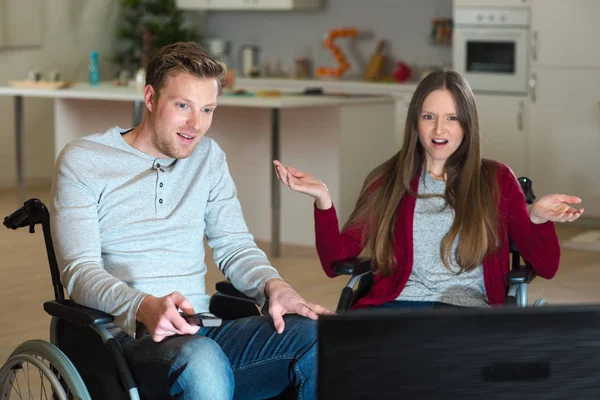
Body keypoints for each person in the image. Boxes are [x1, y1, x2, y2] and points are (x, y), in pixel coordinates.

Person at [50, 41, 332, 400]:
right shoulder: (85, 160)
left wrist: (275, 288)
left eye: (208, 109)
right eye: (183, 105)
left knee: (319, 335)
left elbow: (235, 246)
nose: (196, 125)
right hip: (126, 342)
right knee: (201, 358)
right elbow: (79, 271)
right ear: (150, 98)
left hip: (204, 330)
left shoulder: (209, 158)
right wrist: (143, 306)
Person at [274, 69, 584, 310]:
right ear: (415, 122)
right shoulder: (387, 181)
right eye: (429, 117)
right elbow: (336, 262)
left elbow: (547, 266)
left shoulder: (496, 180)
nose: (439, 130)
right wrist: (323, 201)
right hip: (395, 309)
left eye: (452, 118)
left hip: (464, 313)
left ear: (467, 124)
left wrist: (539, 219)